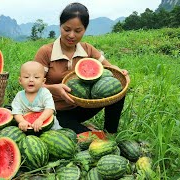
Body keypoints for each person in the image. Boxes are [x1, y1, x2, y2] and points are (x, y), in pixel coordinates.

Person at [34, 2, 130, 134]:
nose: (71, 35)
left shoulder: (87, 49)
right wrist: (54, 89)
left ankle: (111, 132)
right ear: (60, 26)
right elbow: (31, 85)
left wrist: (121, 72)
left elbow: (110, 68)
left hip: (82, 107)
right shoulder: (46, 52)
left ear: (85, 29)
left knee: (116, 88)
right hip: (55, 111)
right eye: (66, 29)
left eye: (78, 31)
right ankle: (84, 129)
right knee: (89, 138)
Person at [11, 61, 61, 132]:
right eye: (26, 77)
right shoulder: (19, 96)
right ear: (20, 80)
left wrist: (40, 119)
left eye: (36, 77)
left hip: (49, 127)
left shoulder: (45, 93)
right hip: (27, 127)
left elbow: (50, 108)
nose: (31, 80)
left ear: (43, 81)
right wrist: (22, 121)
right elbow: (16, 111)